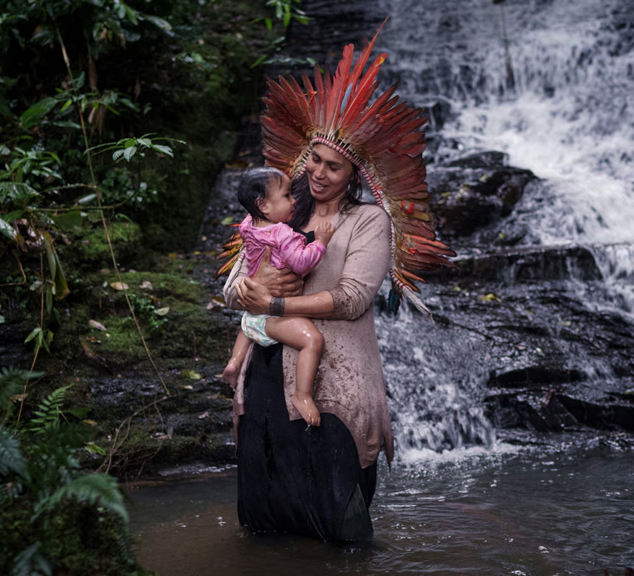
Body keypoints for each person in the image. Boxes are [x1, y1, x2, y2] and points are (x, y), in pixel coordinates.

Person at [221, 27, 454, 542]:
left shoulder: (368, 221)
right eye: (315, 162)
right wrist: (248, 291)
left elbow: (352, 300)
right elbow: (234, 285)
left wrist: (277, 299)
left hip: (334, 381)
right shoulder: (279, 215)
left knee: (342, 526)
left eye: (334, 167)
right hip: (264, 377)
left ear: (355, 174)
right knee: (268, 520)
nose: (320, 174)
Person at [221, 166, 336, 426]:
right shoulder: (282, 232)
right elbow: (301, 264)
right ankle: (302, 395)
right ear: (263, 205)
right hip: (272, 314)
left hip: (252, 314)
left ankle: (234, 363)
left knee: (248, 326)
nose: (294, 200)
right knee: (313, 341)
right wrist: (320, 242)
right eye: (286, 196)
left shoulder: (248, 225)